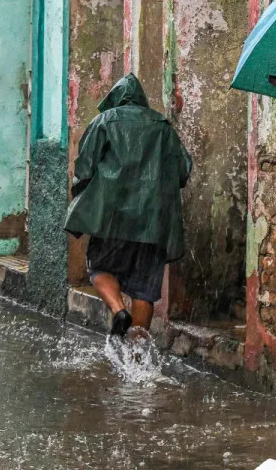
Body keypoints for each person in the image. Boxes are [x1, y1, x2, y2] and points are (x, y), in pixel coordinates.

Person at [65, 74, 192, 340]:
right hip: (154, 224)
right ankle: (137, 354)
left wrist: (84, 201)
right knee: (144, 291)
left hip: (113, 218)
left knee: (99, 269)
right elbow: (182, 170)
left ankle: (119, 310)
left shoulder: (104, 121)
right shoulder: (162, 126)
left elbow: (84, 169)